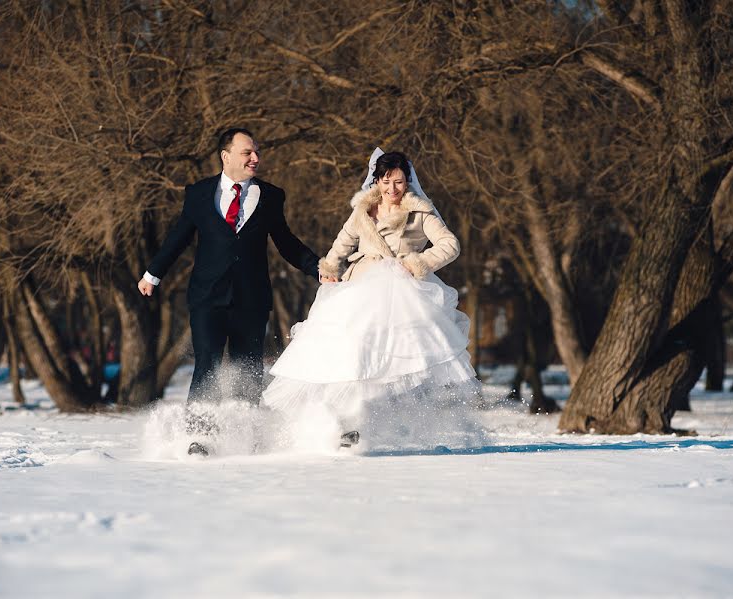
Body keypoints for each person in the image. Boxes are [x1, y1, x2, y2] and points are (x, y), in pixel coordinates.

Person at [261, 148, 480, 449]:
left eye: (399, 182)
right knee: (348, 351)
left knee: (389, 363)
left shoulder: (420, 210)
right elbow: (343, 242)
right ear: (376, 180)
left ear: (408, 182)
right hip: (361, 287)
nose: (392, 189)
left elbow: (449, 244)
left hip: (401, 294)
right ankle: (340, 424)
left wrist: (417, 262)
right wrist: (328, 267)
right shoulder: (363, 210)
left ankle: (372, 425)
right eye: (386, 182)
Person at [137, 128, 320, 456]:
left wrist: (317, 267)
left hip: (251, 298)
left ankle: (246, 438)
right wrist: (153, 273)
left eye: (257, 152)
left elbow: (286, 242)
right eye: (247, 152)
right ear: (226, 156)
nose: (255, 158)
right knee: (206, 362)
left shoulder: (270, 195)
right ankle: (199, 438)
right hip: (208, 296)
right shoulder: (199, 193)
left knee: (247, 366)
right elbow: (178, 237)